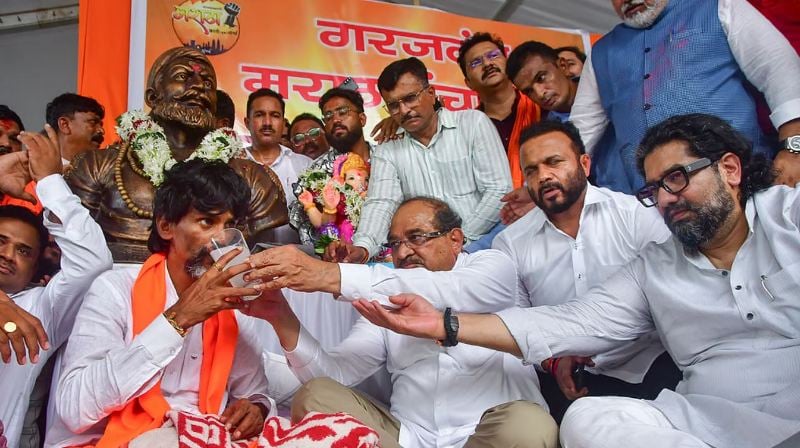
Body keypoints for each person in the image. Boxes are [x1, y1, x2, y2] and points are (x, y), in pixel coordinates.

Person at [354, 113, 800, 448]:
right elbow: (566, 322)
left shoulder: (787, 218)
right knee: (585, 419)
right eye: (655, 189)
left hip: (678, 371)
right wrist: (445, 325)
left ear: (730, 170)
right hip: (705, 419)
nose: (666, 198)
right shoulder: (654, 266)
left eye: (677, 178)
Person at [245, 197, 557, 448]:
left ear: (456, 240)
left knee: (530, 425)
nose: (404, 252)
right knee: (317, 395)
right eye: (394, 244)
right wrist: (280, 317)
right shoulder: (385, 301)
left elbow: (445, 290)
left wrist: (328, 276)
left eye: (416, 238)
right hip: (408, 439)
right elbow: (336, 373)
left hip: (488, 436)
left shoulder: (492, 268)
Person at [49, 160, 274, 447]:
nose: (222, 240)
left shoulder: (231, 307)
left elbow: (256, 392)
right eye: (207, 221)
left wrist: (258, 408)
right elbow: (74, 409)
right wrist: (176, 321)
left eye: (230, 226)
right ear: (166, 226)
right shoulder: (115, 291)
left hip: (205, 436)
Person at [492, 120, 678, 422]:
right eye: (532, 170)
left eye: (554, 162)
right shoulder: (510, 243)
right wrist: (553, 362)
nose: (544, 176)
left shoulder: (634, 215)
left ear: (585, 164)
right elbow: (515, 322)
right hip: (574, 381)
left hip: (651, 362)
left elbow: (672, 293)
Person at [66, 47, 288, 263]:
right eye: (183, 76)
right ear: (153, 97)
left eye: (207, 82)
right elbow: (73, 244)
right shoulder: (96, 165)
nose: (199, 86)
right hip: (116, 294)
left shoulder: (254, 179)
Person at [572, 0, 800, 192]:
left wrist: (793, 149)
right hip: (658, 208)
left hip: (744, 184)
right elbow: (581, 129)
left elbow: (780, 71)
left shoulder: (718, 7)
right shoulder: (601, 53)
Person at [328, 57, 512, 263]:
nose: (404, 110)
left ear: (431, 94)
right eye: (394, 105)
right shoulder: (387, 149)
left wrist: (459, 240)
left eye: (410, 98)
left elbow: (499, 190)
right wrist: (363, 248)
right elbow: (382, 203)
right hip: (427, 259)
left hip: (485, 244)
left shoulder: (471, 124)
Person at [0, 126, 113, 448]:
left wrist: (50, 184)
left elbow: (93, 261)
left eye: (24, 251)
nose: (8, 255)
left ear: (37, 267)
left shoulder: (40, 309)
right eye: (1, 241)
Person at [290, 87, 376, 249]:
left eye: (343, 112)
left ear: (362, 119)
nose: (335, 120)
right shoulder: (315, 173)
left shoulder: (386, 159)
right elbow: (307, 231)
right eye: (328, 116)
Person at [457, 32, 541, 189]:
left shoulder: (539, 103)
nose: (487, 64)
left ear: (507, 62)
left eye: (493, 55)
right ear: (468, 83)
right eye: (475, 63)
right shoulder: (467, 130)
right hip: (497, 209)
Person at [244, 88, 313, 206]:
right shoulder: (232, 162)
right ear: (247, 122)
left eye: (275, 115)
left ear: (283, 123)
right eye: (259, 115)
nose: (267, 123)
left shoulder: (305, 166)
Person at [506, 41, 577, 124]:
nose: (539, 94)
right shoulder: (548, 132)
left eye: (541, 78)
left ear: (563, 66)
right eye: (529, 91)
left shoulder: (595, 86)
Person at [45, 93, 105, 164]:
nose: (101, 131)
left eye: (101, 125)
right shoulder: (35, 172)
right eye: (92, 122)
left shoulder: (107, 171)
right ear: (65, 125)